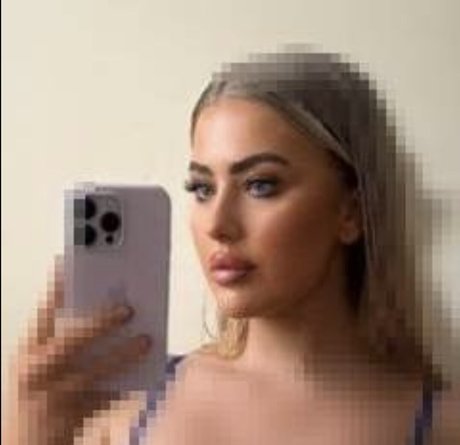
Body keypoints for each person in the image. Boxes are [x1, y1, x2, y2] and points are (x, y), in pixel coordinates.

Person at [4, 48, 459, 445]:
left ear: (351, 212)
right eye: (202, 189)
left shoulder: (442, 426)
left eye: (261, 185)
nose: (218, 225)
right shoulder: (118, 404)